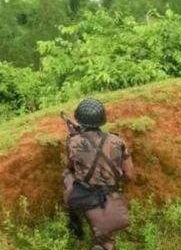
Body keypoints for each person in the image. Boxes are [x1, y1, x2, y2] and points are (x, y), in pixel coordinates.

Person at [63, 98, 134, 250]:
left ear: (80, 120)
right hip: (111, 192)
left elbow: (70, 166)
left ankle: (74, 221)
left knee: (67, 175)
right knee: (105, 239)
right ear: (102, 120)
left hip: (86, 195)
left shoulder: (73, 142)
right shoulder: (118, 141)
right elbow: (129, 175)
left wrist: (74, 137)